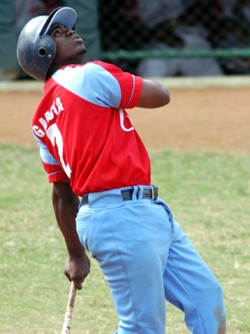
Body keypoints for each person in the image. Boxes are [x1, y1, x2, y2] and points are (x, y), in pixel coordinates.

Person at [16, 7, 226, 334]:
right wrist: (116, 85)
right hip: (120, 217)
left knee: (205, 298)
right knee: (142, 327)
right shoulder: (88, 75)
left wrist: (75, 253)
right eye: (57, 32)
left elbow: (62, 194)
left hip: (140, 212)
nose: (71, 31)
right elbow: (160, 96)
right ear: (43, 51)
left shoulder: (40, 120)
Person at [136, 0, 224, 77]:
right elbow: (148, 27)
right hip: (162, 46)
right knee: (150, 69)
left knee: (215, 81)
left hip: (193, 41)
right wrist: (170, 31)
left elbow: (201, 12)